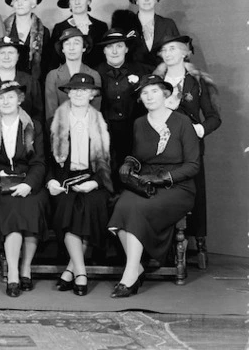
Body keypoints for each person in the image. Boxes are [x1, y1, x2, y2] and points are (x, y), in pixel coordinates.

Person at [108, 75, 200, 297]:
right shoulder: (140, 123)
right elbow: (140, 156)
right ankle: (137, 267)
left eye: (154, 91)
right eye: (144, 93)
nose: (148, 96)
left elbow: (193, 165)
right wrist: (129, 163)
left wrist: (163, 178)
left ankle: (130, 275)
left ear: (165, 94)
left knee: (137, 209)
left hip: (177, 187)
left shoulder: (182, 122)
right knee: (120, 206)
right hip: (146, 183)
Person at [0, 81, 49, 297]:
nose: (5, 101)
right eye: (1, 98)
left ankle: (26, 268)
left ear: (19, 99)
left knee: (32, 206)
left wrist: (28, 184)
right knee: (12, 209)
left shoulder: (32, 125)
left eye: (10, 97)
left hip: (29, 181)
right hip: (2, 183)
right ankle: (13, 273)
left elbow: (40, 162)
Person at [153, 35, 220, 267]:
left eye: (173, 49)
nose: (168, 53)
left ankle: (199, 241)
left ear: (185, 53)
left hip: (190, 147)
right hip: (161, 148)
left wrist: (200, 129)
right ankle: (165, 246)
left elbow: (213, 117)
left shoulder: (197, 81)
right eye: (164, 50)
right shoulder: (155, 81)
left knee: (196, 194)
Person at [46, 73, 113, 297]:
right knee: (68, 208)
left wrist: (94, 183)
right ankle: (81, 272)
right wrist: (51, 181)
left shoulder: (104, 124)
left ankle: (72, 271)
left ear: (92, 94)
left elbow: (111, 162)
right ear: (68, 93)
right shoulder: (53, 123)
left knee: (91, 205)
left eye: (84, 90)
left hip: (94, 180)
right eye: (74, 90)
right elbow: (44, 161)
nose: (78, 94)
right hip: (64, 181)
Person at [95, 29, 149, 192]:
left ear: (126, 48)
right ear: (104, 50)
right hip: (106, 131)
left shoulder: (142, 71)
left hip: (135, 132)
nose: (115, 51)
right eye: (110, 47)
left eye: (119, 46)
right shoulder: (95, 73)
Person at [112, 0, 180, 70]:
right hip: (133, 76)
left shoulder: (168, 24)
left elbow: (179, 52)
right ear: (136, 0)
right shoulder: (126, 24)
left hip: (164, 76)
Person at [44, 28, 101, 124]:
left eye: (76, 43)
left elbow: (95, 111)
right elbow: (51, 112)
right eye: (67, 43)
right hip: (61, 130)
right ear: (62, 49)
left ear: (84, 48)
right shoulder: (53, 76)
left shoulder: (94, 75)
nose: (71, 48)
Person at [50, 0, 108, 70]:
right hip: (68, 78)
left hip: (96, 76)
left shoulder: (101, 27)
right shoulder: (60, 28)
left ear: (89, 0)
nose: (77, 2)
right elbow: (53, 61)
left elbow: (105, 57)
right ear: (69, 3)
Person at [3, 0, 51, 82]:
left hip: (34, 81)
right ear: (12, 4)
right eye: (16, 0)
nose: (20, 4)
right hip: (7, 80)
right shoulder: (2, 28)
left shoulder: (43, 31)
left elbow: (46, 62)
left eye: (25, 0)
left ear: (33, 4)